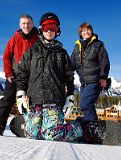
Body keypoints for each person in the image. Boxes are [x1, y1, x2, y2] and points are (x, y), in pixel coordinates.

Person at [15, 12, 83, 142]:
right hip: (34, 100)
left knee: (52, 136)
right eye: (46, 27)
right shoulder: (32, 50)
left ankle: (79, 128)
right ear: (41, 29)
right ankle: (30, 124)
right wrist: (20, 93)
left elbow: (69, 77)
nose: (50, 31)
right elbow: (22, 72)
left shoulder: (62, 53)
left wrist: (70, 96)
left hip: (54, 100)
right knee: (32, 136)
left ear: (58, 31)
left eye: (53, 27)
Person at [0, 14, 38, 136]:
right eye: (23, 23)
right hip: (14, 76)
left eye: (28, 23)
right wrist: (8, 73)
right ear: (20, 25)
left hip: (31, 77)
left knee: (30, 103)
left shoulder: (38, 39)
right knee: (7, 100)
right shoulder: (14, 38)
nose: (26, 25)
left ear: (33, 24)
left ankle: (31, 127)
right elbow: (6, 57)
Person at [71, 22, 110, 122]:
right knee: (88, 106)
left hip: (95, 80)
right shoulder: (77, 47)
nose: (86, 32)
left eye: (88, 30)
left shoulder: (98, 45)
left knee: (85, 104)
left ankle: (94, 128)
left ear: (92, 31)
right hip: (83, 83)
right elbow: (71, 64)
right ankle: (89, 129)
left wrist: (103, 77)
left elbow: (104, 61)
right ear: (81, 33)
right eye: (83, 30)